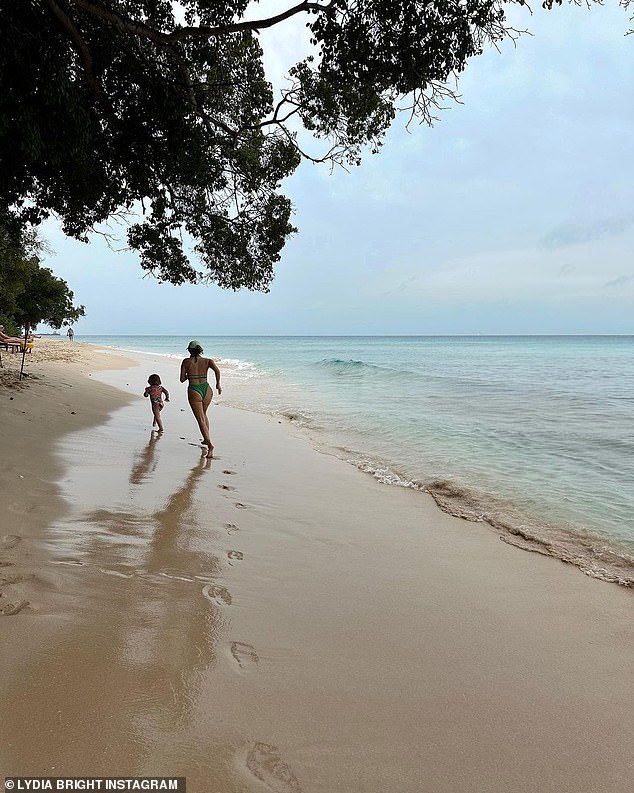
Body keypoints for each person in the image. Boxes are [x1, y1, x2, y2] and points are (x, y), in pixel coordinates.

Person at [180, 340, 221, 457]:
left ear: (189, 350)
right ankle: (205, 438)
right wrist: (218, 384)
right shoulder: (208, 361)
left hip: (194, 390)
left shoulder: (186, 362)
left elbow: (182, 379)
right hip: (207, 390)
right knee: (203, 414)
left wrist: (189, 375)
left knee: (200, 419)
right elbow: (217, 371)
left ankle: (210, 446)